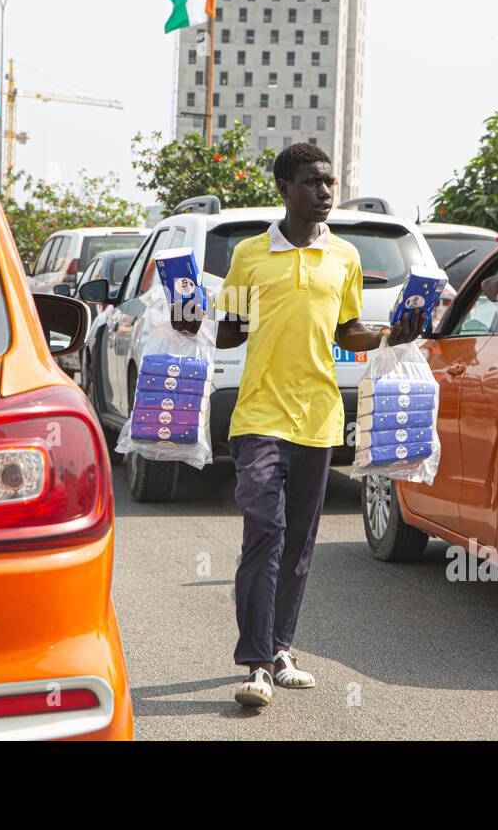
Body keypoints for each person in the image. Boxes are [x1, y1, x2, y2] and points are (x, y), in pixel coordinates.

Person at [172, 143, 427, 707]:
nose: (326, 192)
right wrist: (193, 318)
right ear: (285, 188)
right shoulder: (249, 256)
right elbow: (234, 332)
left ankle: (282, 649)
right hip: (259, 414)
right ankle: (256, 663)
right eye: (313, 183)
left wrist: (392, 336)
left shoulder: (345, 257)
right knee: (264, 528)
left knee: (301, 544)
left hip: (319, 417)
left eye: (331, 182)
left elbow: (348, 331)